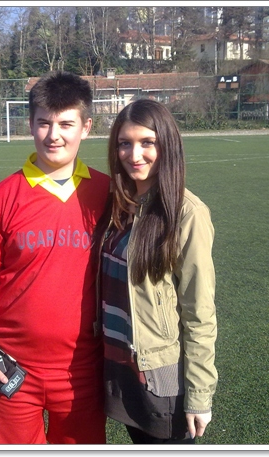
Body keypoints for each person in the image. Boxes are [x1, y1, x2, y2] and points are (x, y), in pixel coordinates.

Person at [0, 71, 110, 444]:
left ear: (86, 127)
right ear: (30, 124)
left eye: (66, 124)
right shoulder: (2, 197)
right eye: (44, 122)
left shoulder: (107, 193)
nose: (53, 135)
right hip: (11, 364)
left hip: (82, 369)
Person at [95, 99, 218, 444]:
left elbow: (199, 312)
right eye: (125, 143)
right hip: (118, 365)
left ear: (167, 145)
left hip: (158, 375)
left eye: (147, 142)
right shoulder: (120, 205)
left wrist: (199, 395)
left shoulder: (187, 214)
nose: (134, 154)